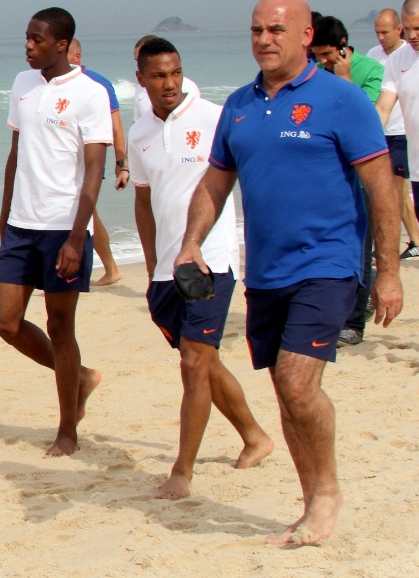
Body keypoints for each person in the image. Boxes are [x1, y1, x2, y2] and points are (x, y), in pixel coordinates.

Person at [175, 0, 402, 546]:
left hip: (328, 263)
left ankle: (327, 494)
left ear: (305, 36)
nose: (264, 40)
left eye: (276, 29)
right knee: (284, 392)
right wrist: (190, 243)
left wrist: (389, 272)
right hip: (266, 272)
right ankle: (309, 501)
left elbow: (380, 187)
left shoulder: (341, 100)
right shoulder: (239, 105)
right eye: (256, 30)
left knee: (299, 385)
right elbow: (215, 182)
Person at [130, 38, 273, 500]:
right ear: (141, 80)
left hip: (212, 260)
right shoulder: (139, 132)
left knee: (194, 361)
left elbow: (252, 175)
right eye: (158, 76)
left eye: (175, 72)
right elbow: (145, 202)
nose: (169, 83)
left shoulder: (214, 117)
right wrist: (151, 266)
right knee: (204, 361)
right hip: (166, 269)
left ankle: (182, 470)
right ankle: (255, 436)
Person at [0, 7, 110, 457]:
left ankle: (67, 430)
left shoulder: (90, 93)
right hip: (21, 225)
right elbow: (16, 152)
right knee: (4, 321)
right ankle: (81, 377)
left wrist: (78, 236)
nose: (28, 46)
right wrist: (5, 213)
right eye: (27, 37)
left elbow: (94, 169)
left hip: (63, 227)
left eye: (37, 40)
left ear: (61, 45)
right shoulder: (22, 84)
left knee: (60, 328)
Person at [310, 15, 385, 347]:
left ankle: (354, 323)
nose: (323, 62)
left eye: (327, 55)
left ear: (343, 47)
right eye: (318, 56)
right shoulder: (316, 75)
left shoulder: (371, 70)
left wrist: (344, 78)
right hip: (328, 177)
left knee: (361, 250)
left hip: (362, 176)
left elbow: (367, 120)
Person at [376, 0, 419, 273]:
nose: (412, 35)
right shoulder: (398, 60)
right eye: (407, 29)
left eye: (418, 28)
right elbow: (383, 108)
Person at [68, 38, 126, 286]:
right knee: (85, 211)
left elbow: (116, 125)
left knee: (86, 209)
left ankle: (107, 267)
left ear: (77, 57)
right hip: (66, 159)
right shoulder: (53, 82)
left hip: (91, 157)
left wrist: (121, 161)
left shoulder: (97, 83)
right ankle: (109, 267)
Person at [132, 35, 200, 124]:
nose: (140, 63)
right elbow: (137, 121)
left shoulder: (187, 85)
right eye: (137, 60)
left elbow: (196, 115)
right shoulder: (139, 89)